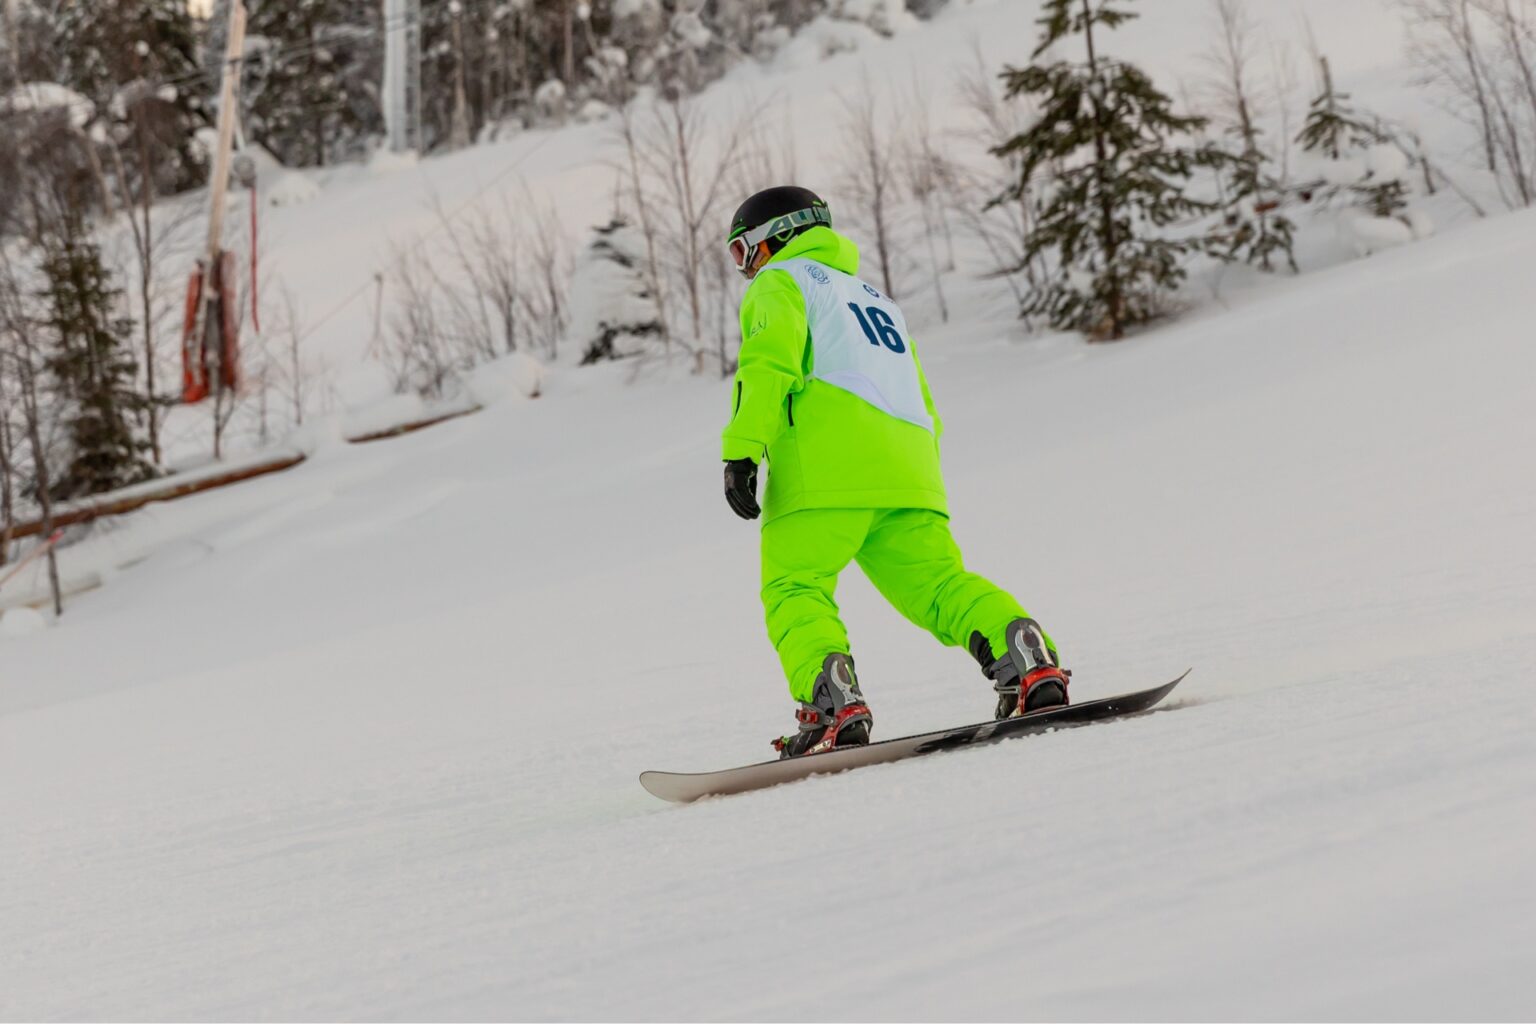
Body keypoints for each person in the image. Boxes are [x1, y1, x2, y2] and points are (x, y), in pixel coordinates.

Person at [720, 185, 1070, 759]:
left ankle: (831, 702)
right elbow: (921, 396)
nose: (745, 267)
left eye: (743, 251)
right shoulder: (877, 300)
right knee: (940, 585)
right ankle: (1025, 656)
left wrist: (741, 451)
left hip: (823, 472)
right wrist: (919, 474)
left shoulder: (780, 282)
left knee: (795, 586)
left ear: (776, 237)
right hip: (908, 471)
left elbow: (766, 366)